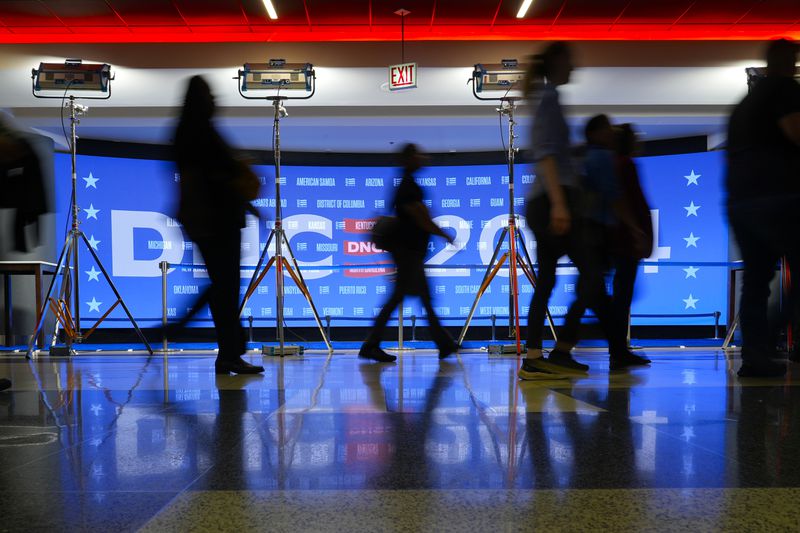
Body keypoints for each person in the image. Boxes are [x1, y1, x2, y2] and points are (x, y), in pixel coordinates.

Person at [519, 42, 648, 380]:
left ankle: (537, 357)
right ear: (557, 62)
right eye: (569, 61)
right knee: (590, 273)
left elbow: (554, 152)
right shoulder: (549, 97)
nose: (573, 67)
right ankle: (555, 352)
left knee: (549, 279)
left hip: (546, 199)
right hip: (551, 200)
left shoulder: (545, 97)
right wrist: (561, 203)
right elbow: (546, 153)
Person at [173, 76, 263, 375]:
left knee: (222, 286)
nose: (215, 100)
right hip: (217, 221)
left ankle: (228, 351)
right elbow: (217, 178)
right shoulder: (202, 134)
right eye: (210, 95)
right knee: (224, 288)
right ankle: (227, 350)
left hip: (206, 221)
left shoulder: (187, 132)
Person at [726, 38, 800, 378]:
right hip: (779, 195)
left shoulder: (743, 104)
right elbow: (795, 132)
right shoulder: (785, 88)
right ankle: (771, 337)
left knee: (755, 282)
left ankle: (755, 355)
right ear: (790, 63)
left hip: (741, 201)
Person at [555, 120, 654, 365]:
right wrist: (636, 231)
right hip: (610, 238)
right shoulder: (615, 163)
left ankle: (612, 347)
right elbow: (622, 199)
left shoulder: (594, 160)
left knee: (595, 294)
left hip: (602, 237)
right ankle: (592, 347)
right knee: (599, 295)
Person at [359, 143, 458, 362]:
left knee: (419, 298)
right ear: (408, 159)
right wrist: (444, 234)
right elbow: (421, 217)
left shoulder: (405, 184)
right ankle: (371, 345)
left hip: (409, 252)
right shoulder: (408, 186)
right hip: (409, 253)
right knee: (403, 299)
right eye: (417, 155)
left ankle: (444, 344)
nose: (423, 158)